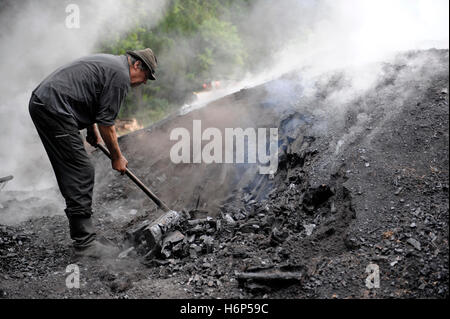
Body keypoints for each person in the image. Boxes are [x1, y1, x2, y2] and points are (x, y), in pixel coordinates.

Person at [29, 48, 157, 258]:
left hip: (47, 102)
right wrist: (117, 157)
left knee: (77, 167)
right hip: (53, 107)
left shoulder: (112, 65)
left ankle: (84, 236)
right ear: (136, 65)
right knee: (81, 170)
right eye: (146, 76)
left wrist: (90, 128)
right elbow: (107, 123)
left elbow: (90, 97)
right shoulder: (120, 77)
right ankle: (85, 243)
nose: (144, 82)